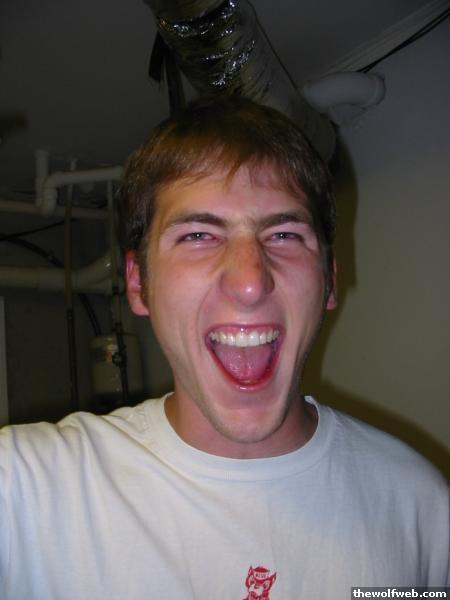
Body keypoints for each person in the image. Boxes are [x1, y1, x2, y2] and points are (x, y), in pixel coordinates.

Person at [0, 98, 448, 599]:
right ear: (138, 283)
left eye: (284, 234)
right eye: (198, 235)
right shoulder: (25, 490)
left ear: (328, 280)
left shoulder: (421, 506)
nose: (250, 282)